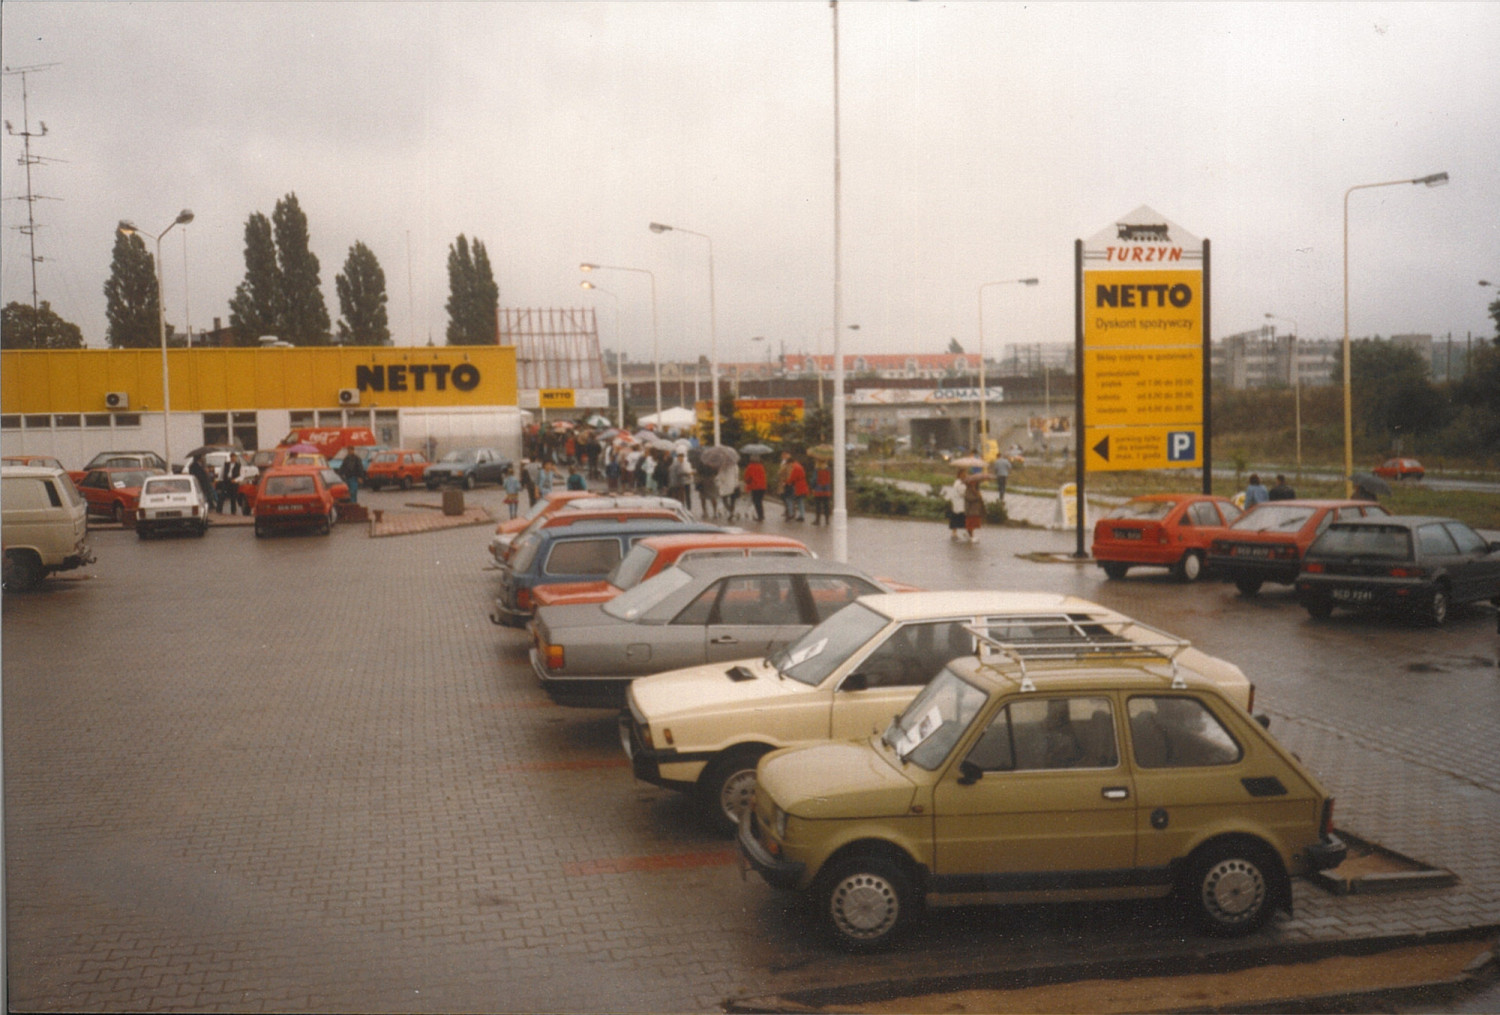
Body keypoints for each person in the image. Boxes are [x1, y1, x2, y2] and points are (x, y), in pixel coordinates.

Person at [781, 452, 807, 522]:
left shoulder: (795, 467)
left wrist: (786, 482)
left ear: (790, 463)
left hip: (798, 486)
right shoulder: (799, 465)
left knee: (789, 499)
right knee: (800, 501)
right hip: (803, 485)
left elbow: (792, 478)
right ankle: (802, 515)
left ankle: (791, 514)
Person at [944, 469, 969, 541]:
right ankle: (959, 533)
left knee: (958, 518)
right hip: (959, 504)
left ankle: (958, 533)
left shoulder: (958, 482)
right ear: (960, 475)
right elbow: (962, 493)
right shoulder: (960, 483)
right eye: (964, 474)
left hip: (958, 503)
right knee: (959, 518)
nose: (965, 475)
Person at [743, 455, 768, 521]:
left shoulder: (750, 467)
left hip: (755, 486)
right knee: (759, 501)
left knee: (756, 501)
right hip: (762, 486)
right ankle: (761, 515)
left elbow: (747, 477)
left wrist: (747, 482)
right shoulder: (761, 466)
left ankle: (760, 516)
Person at [963, 471, 986, 542]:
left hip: (976, 510)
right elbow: (969, 498)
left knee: (974, 523)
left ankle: (969, 534)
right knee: (970, 523)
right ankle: (971, 536)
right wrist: (977, 497)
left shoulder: (976, 490)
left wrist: (977, 494)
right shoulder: (968, 490)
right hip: (970, 509)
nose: (974, 483)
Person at [810, 459, 832, 525]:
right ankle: (827, 520)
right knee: (826, 505)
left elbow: (814, 480)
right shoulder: (829, 469)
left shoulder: (817, 470)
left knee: (818, 506)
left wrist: (812, 487)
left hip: (818, 489)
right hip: (827, 489)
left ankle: (817, 520)